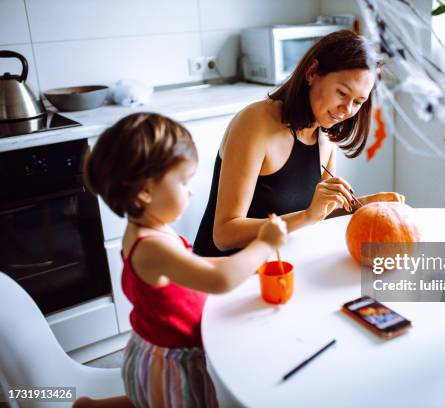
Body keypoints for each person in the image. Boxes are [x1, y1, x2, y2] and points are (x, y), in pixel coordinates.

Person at [79, 112, 287, 407]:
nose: (190, 191)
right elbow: (219, 280)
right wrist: (264, 244)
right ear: (145, 192)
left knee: (149, 399)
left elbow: (200, 267)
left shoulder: (146, 228)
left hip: (152, 346)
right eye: (183, 181)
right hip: (170, 361)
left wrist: (249, 269)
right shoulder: (151, 247)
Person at [193, 29, 404, 257]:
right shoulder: (256, 123)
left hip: (277, 263)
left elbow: (318, 211)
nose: (347, 110)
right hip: (222, 274)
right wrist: (308, 216)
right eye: (342, 93)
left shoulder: (324, 136)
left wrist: (367, 205)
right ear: (312, 73)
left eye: (358, 102)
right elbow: (224, 235)